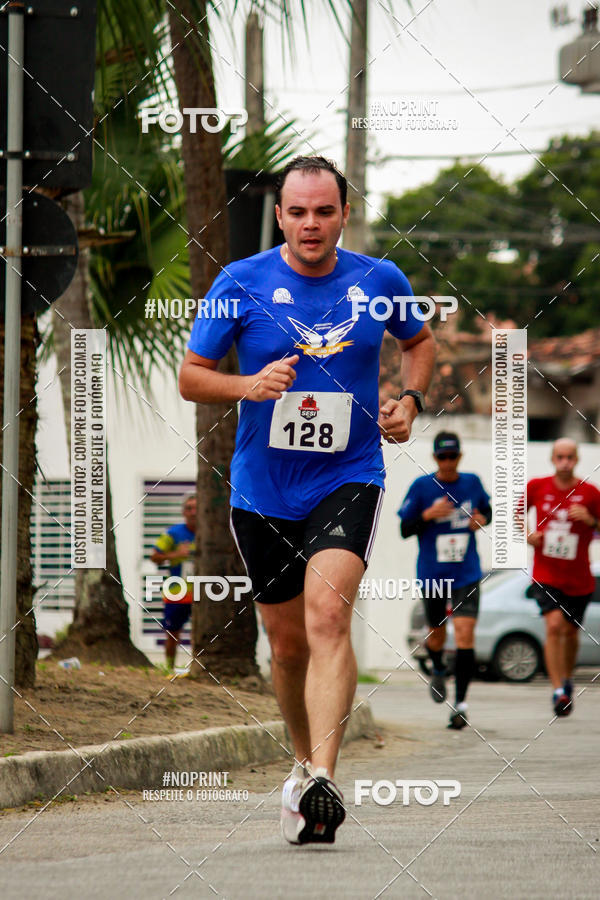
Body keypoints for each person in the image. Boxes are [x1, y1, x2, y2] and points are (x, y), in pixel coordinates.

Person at [179, 155, 436, 844]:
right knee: (286, 645)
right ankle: (300, 767)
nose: (312, 224)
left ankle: (324, 776)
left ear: (344, 213)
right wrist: (249, 386)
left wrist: (410, 401)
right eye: (299, 211)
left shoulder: (380, 281)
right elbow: (191, 377)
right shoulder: (241, 283)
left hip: (349, 474)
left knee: (328, 615)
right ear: (281, 214)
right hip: (263, 487)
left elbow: (421, 342)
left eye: (325, 211)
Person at [398, 432, 491, 729]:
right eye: (442, 457)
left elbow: (486, 510)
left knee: (465, 634)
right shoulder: (422, 487)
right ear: (435, 458)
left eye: (452, 456)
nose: (448, 462)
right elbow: (405, 528)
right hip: (433, 573)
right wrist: (427, 514)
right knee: (436, 635)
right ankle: (438, 667)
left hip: (466, 571)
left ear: (460, 457)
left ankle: (460, 704)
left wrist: (482, 520)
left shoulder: (472, 482)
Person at [523, 438, 600, 717]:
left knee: (570, 632)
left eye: (570, 457)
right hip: (546, 574)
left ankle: (566, 678)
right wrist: (529, 534)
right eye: (560, 457)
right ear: (552, 459)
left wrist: (592, 522)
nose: (564, 462)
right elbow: (516, 512)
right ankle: (558, 691)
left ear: (576, 460)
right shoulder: (537, 486)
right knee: (554, 626)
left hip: (579, 579)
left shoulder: (590, 493)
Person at [150, 494, 197, 669]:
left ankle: (199, 669)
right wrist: (176, 555)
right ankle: (169, 667)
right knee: (173, 632)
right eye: (189, 508)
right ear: (183, 512)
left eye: (197, 508)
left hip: (207, 590)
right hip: (178, 592)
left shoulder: (213, 533)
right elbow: (155, 556)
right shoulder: (173, 533)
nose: (193, 512)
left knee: (205, 633)